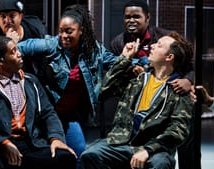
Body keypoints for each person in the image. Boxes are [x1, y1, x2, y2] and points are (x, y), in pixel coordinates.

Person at [17, 4, 119, 164]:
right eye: (60, 31)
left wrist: (142, 62)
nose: (63, 35)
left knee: (78, 153)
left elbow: (117, 63)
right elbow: (22, 47)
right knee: (46, 156)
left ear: (81, 31)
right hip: (47, 113)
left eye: (69, 31)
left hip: (71, 115)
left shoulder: (94, 52)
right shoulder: (52, 45)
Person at [80, 32, 193, 169]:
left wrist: (149, 150)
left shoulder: (178, 89)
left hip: (154, 147)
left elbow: (178, 129)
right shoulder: (137, 78)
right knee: (90, 155)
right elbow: (103, 92)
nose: (151, 46)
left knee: (160, 163)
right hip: (123, 142)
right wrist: (124, 58)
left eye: (159, 45)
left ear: (169, 57)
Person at [0, 36, 76, 169]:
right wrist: (3, 142)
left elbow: (48, 113)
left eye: (17, 49)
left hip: (31, 143)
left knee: (65, 158)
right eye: (13, 51)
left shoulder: (31, 81)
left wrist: (56, 138)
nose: (19, 54)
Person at [109, 1, 195, 168]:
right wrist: (131, 71)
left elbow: (189, 65)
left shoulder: (165, 37)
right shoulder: (118, 43)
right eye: (127, 17)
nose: (131, 20)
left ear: (147, 18)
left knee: (183, 139)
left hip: (168, 95)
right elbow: (114, 72)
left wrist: (188, 81)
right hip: (138, 99)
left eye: (136, 16)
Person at [0, 0, 47, 74]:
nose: (7, 20)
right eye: (3, 17)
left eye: (12, 16)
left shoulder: (35, 30)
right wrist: (9, 44)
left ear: (20, 16)